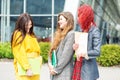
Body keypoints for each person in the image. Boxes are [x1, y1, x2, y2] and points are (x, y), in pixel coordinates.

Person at [72, 4, 101, 80]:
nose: (78, 18)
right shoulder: (81, 29)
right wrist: (75, 47)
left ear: (86, 16)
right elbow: (80, 46)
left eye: (80, 15)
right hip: (79, 64)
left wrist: (85, 53)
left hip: (88, 69)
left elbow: (97, 51)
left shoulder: (95, 31)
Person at [11, 13, 41, 80]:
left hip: (34, 66)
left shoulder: (31, 34)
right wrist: (27, 68)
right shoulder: (18, 34)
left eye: (30, 25)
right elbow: (19, 52)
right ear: (21, 24)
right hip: (25, 67)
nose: (29, 27)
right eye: (26, 25)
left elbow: (37, 51)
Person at [48, 12, 75, 80]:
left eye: (61, 19)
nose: (59, 21)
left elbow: (66, 55)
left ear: (68, 21)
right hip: (54, 72)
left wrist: (56, 69)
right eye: (59, 19)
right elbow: (51, 51)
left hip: (64, 73)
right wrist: (50, 64)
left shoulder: (71, 34)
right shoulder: (58, 34)